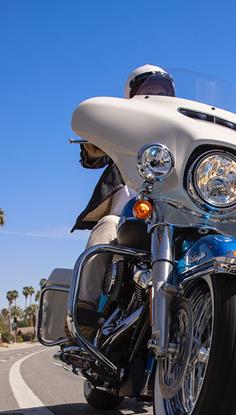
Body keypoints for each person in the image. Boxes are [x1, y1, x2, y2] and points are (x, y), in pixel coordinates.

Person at [72, 65, 175, 329]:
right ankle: (84, 309)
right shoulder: (121, 123)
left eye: (162, 88)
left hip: (171, 214)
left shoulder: (178, 128)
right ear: (132, 91)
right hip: (127, 215)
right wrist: (96, 139)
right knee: (107, 226)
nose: (156, 92)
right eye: (149, 87)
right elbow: (92, 158)